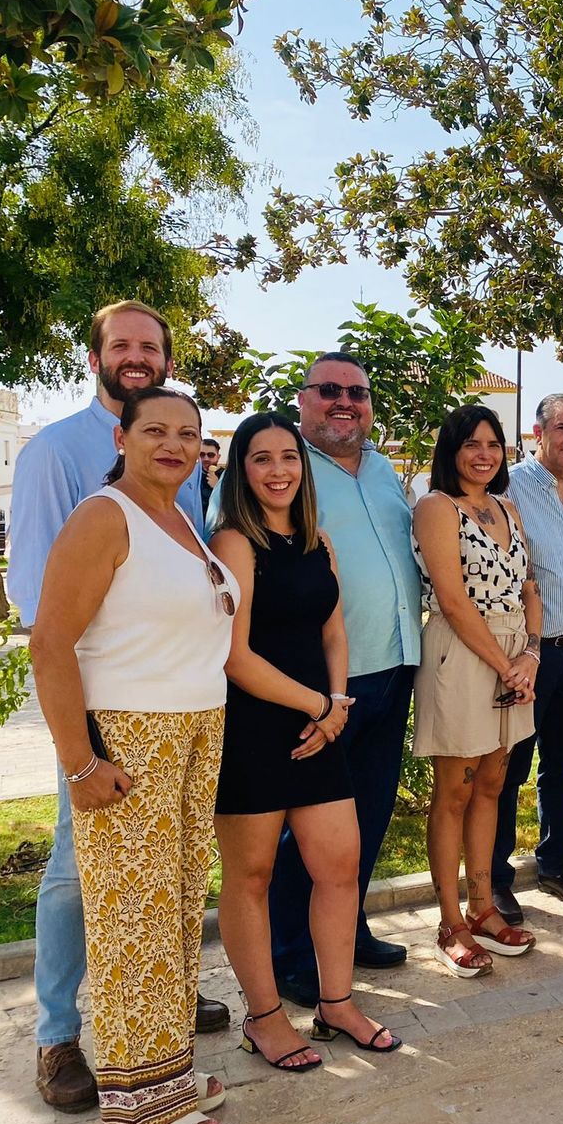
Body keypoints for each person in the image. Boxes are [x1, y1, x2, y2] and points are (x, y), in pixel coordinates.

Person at [7, 300, 226, 1114]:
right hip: (113, 720)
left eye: (151, 346)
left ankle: (160, 1049)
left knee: (165, 899)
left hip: (189, 719)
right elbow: (46, 615)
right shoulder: (57, 457)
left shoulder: (181, 478)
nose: (137, 356)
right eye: (122, 345)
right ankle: (62, 1036)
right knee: (84, 885)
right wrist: (81, 753)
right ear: (96, 355)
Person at [210, 412, 398, 1072]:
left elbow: (333, 632)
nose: (278, 470)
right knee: (253, 876)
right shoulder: (235, 541)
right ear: (243, 470)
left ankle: (337, 1003)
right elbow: (234, 657)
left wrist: (336, 707)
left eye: (287, 456)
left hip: (322, 728)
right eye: (260, 459)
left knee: (338, 868)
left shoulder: (318, 540)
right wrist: (320, 704)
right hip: (255, 731)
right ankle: (263, 1019)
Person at [263, 352, 423, 1010]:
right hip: (319, 685)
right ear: (303, 399)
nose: (344, 401)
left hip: (393, 669)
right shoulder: (282, 468)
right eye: (328, 389)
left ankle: (347, 932)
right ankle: (292, 957)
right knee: (308, 831)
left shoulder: (385, 470)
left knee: (368, 818)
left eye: (357, 391)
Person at [411, 405, 541, 976]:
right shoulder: (436, 508)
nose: (484, 454)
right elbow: (454, 599)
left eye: (493, 444)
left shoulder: (507, 507)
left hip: (514, 653)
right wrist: (504, 665)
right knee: (456, 789)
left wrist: (530, 654)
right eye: (471, 444)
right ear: (452, 450)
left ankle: (483, 905)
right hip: (463, 655)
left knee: (493, 782)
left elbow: (530, 586)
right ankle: (450, 921)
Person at [493, 395, 563, 925]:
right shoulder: (508, 485)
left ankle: (557, 863)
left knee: (562, 764)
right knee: (511, 767)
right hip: (527, 654)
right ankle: (495, 878)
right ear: (539, 431)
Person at [199, 438, 222, 513]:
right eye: (202, 455)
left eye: (211, 455)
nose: (206, 459)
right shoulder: (190, 475)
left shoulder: (227, 476)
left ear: (218, 457)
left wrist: (217, 487)